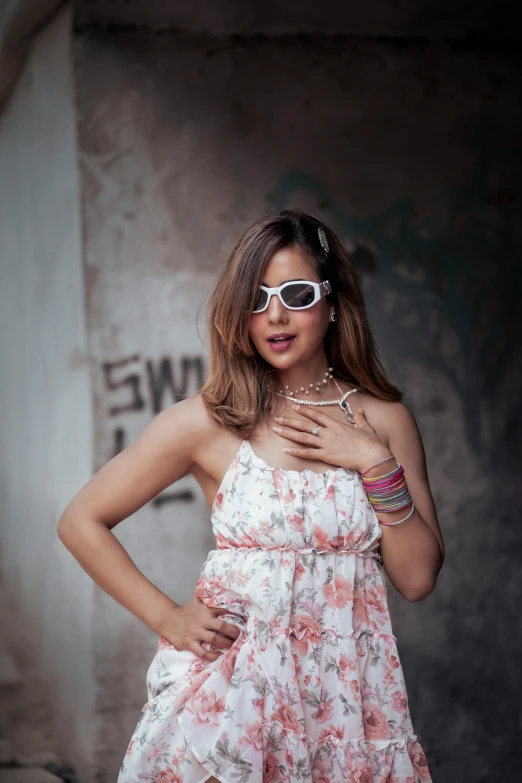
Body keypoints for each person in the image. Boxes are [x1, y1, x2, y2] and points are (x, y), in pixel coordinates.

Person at [58, 208, 443, 783]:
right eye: (257, 299)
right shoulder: (209, 421)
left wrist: (373, 461)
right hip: (233, 701)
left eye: (295, 292)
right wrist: (169, 617)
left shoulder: (384, 420)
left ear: (333, 301)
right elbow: (80, 520)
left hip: (347, 704)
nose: (276, 316)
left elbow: (416, 580)